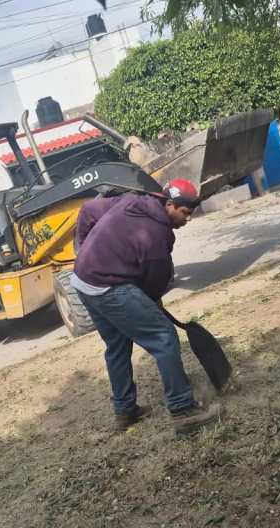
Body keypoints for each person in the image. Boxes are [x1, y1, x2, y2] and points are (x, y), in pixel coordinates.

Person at [72, 179, 223, 436]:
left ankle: (125, 411)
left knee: (117, 345)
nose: (187, 220)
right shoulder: (158, 237)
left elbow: (88, 210)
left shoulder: (133, 201)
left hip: (82, 280)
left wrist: (84, 250)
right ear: (170, 204)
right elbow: (155, 284)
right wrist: (151, 302)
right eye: (185, 213)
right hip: (109, 286)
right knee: (163, 337)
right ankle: (183, 411)